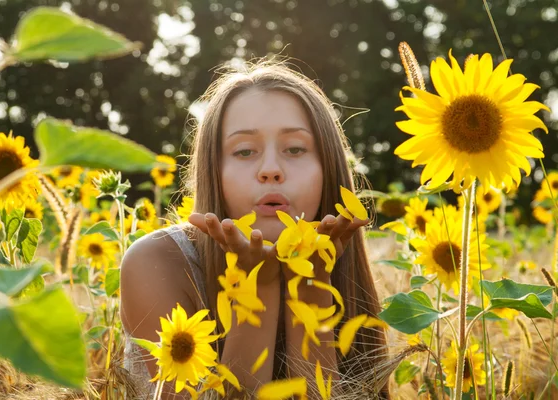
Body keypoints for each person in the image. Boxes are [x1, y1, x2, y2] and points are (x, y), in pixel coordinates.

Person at [120, 60, 389, 399]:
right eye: (245, 151)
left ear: (329, 168)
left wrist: (311, 287)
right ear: (213, 171)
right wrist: (257, 290)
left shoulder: (344, 272)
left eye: (295, 149)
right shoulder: (158, 263)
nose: (271, 170)